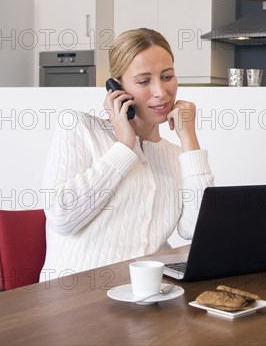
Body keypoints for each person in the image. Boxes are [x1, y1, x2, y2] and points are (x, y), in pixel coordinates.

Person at [40, 28, 214, 279]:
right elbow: (62, 218)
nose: (160, 92)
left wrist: (190, 140)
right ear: (116, 88)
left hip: (148, 294)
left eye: (167, 76)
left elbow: (197, 231)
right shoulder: (79, 128)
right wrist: (124, 145)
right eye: (144, 81)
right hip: (76, 299)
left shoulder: (177, 156)